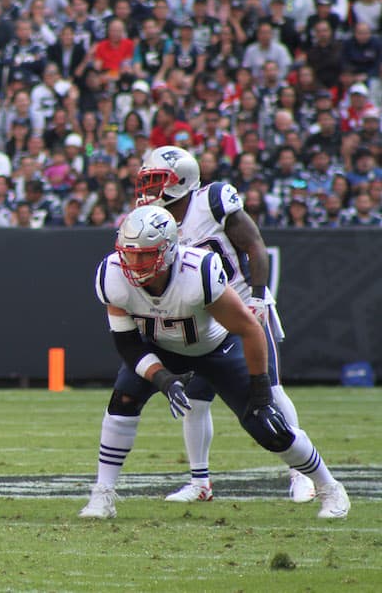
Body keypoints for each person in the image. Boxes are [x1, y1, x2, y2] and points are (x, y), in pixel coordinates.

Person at [79, 205, 350, 520]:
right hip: (161, 347)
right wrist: (163, 379)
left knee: (267, 427)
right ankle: (102, 494)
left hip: (217, 347)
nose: (133, 263)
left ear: (167, 251)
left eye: (144, 255)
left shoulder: (198, 273)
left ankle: (330, 487)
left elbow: (250, 329)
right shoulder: (112, 275)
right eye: (128, 253)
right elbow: (127, 344)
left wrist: (261, 391)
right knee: (124, 396)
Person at [134, 146, 315, 504]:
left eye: (157, 181)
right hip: (203, 319)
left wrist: (259, 297)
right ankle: (200, 483)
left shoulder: (213, 201)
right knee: (196, 401)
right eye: (147, 181)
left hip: (241, 306)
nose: (149, 190)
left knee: (271, 390)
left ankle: (301, 473)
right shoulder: (155, 219)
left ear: (181, 181)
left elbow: (254, 246)